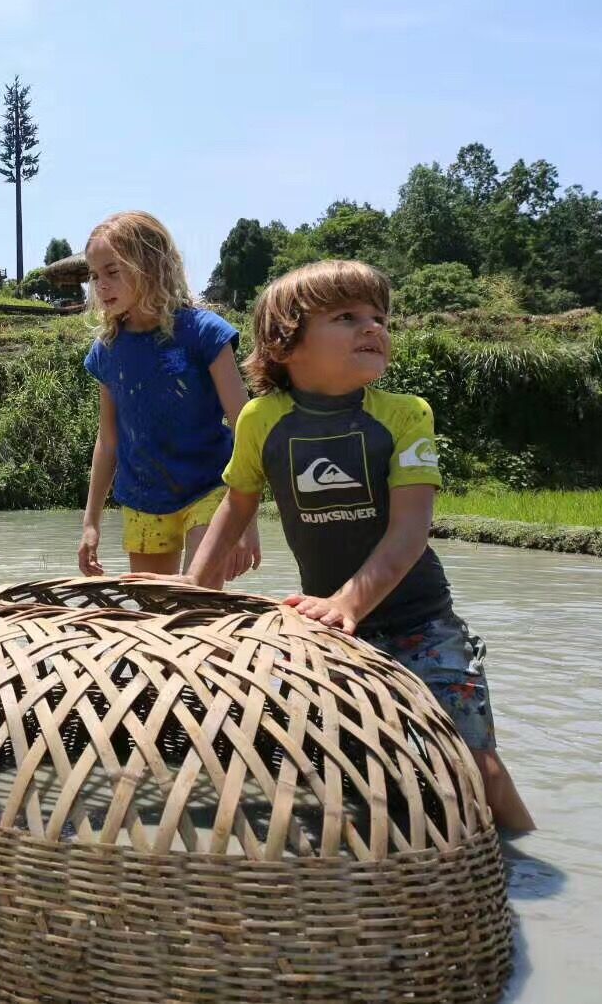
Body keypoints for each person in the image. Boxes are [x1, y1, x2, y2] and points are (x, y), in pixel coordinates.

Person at [184, 259, 535, 831]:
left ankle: (525, 863)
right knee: (338, 767)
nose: (373, 328)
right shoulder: (261, 419)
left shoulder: (403, 415)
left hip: (421, 624)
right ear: (285, 343)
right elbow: (235, 505)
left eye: (379, 317)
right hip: (334, 632)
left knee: (475, 765)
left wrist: (349, 602)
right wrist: (194, 595)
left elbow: (410, 530)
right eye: (346, 317)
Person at [78, 210, 260, 578]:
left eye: (113, 272)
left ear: (151, 267)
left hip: (211, 488)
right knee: (156, 616)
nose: (101, 286)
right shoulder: (108, 350)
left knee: (197, 605)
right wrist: (90, 522)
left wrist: (247, 518)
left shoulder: (205, 333)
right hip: (144, 498)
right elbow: (107, 442)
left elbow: (246, 427)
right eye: (95, 276)